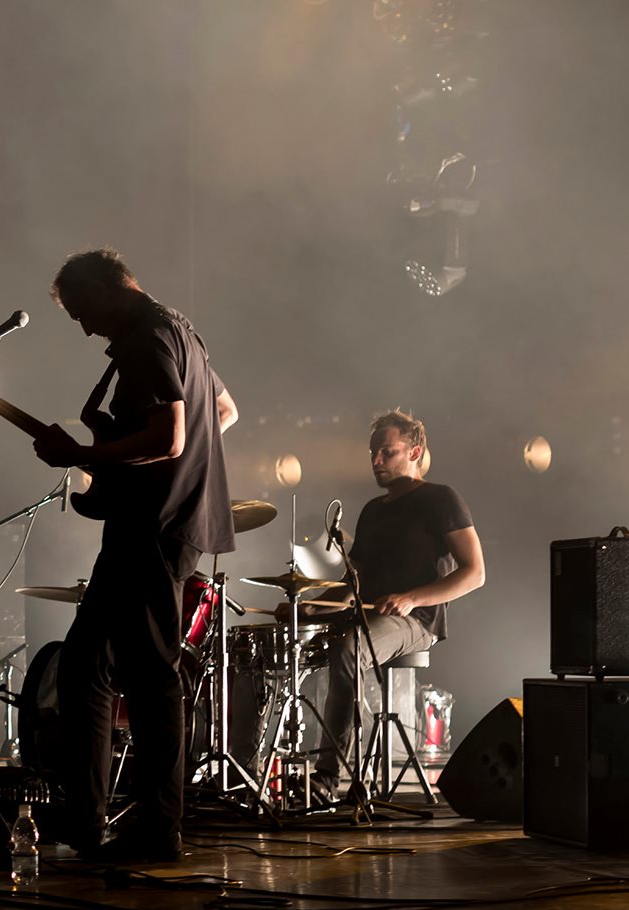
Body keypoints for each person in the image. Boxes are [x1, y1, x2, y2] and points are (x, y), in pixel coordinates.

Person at [32, 247, 239, 861]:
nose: (84, 328)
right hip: (159, 520)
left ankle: (159, 829)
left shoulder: (148, 337)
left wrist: (83, 456)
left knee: (150, 678)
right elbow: (223, 411)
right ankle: (87, 820)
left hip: (154, 526)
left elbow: (169, 437)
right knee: (84, 666)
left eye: (82, 311)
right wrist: (173, 463)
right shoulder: (179, 330)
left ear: (105, 287)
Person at [290, 409, 484, 804]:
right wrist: (309, 609)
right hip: (370, 614)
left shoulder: (441, 499)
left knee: (349, 648)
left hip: (417, 621)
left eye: (387, 452)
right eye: (373, 453)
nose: (376, 461)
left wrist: (412, 598)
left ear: (415, 451)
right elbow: (352, 583)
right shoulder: (373, 510)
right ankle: (246, 769)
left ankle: (327, 775)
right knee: (290, 641)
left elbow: (474, 572)